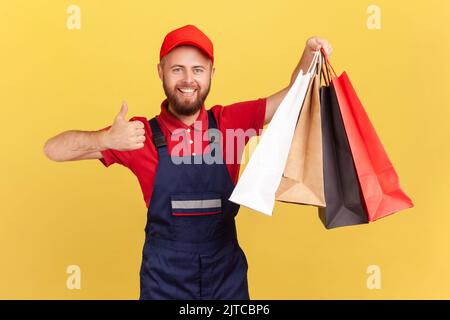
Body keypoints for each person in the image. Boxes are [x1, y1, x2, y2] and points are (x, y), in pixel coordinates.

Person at [43, 24, 332, 300]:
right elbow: (53, 150)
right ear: (161, 72)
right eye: (177, 69)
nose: (188, 80)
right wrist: (104, 140)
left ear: (211, 74)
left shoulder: (232, 122)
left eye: (198, 70)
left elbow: (295, 96)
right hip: (164, 282)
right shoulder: (136, 135)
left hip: (225, 279)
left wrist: (309, 54)